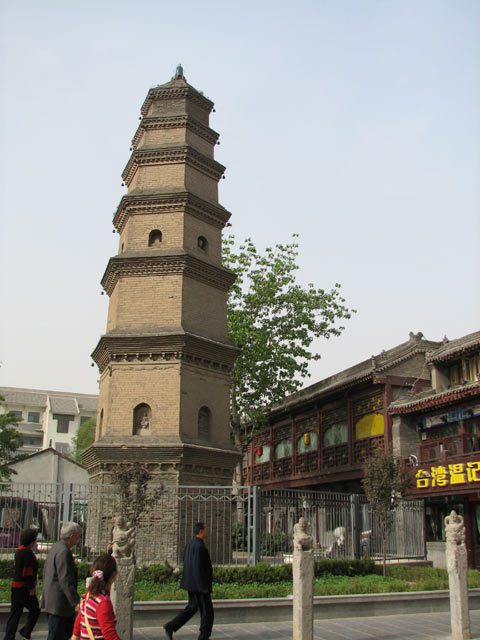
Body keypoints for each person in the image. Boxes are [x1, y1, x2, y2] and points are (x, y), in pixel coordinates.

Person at [164, 522, 213, 640]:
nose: (208, 531)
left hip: (191, 583)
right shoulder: (200, 546)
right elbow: (198, 567)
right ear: (201, 531)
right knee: (207, 612)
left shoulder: (190, 544)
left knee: (192, 608)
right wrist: (202, 586)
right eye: (206, 529)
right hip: (200, 585)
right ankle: (204, 636)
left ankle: (171, 626)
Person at [41, 522, 82, 640]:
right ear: (72, 536)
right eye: (78, 536)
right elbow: (65, 579)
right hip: (59, 605)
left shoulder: (56, 547)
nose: (79, 539)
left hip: (53, 601)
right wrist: (76, 601)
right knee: (56, 635)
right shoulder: (64, 552)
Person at [72, 554, 121, 640]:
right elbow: (110, 635)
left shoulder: (87, 596)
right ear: (114, 575)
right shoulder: (102, 602)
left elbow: (77, 627)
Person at [4, 528, 40, 640]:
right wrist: (31, 589)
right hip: (24, 588)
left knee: (15, 613)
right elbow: (27, 573)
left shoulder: (19, 552)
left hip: (16, 587)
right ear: (32, 541)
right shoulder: (28, 554)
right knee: (35, 610)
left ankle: (9, 636)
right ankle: (26, 631)